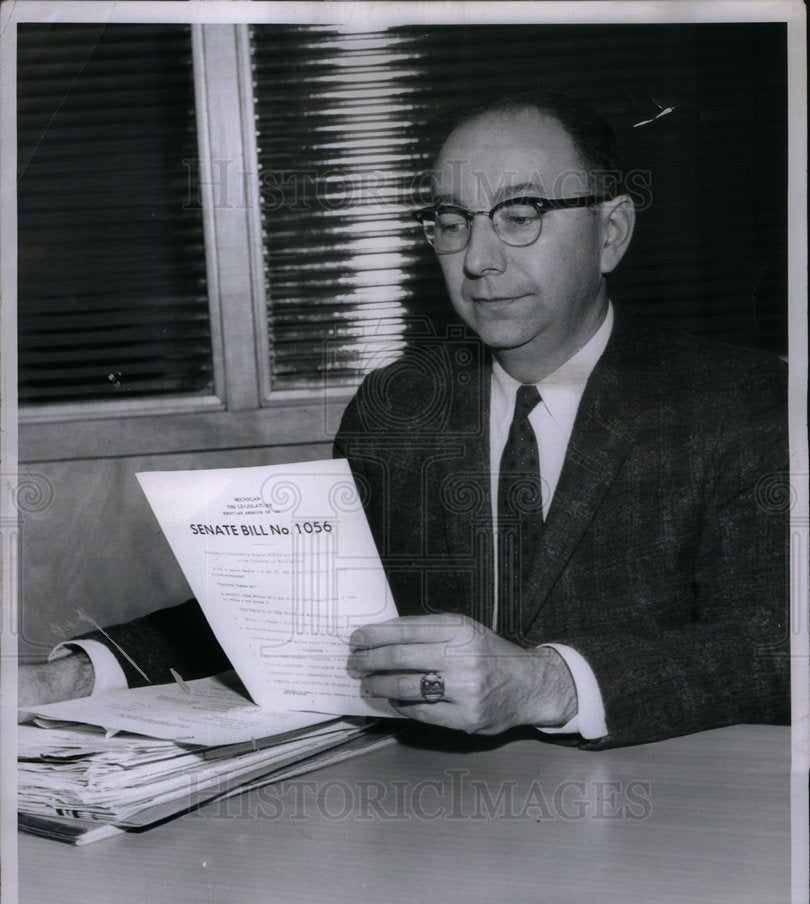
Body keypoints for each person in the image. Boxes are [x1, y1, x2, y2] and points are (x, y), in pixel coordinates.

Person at [20, 92, 789, 748]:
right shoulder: (399, 406)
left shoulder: (740, 404)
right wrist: (82, 672)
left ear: (612, 232)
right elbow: (298, 609)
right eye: (452, 222)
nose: (478, 259)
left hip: (659, 823)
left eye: (519, 215)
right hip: (423, 818)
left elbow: (778, 646)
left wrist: (549, 684)